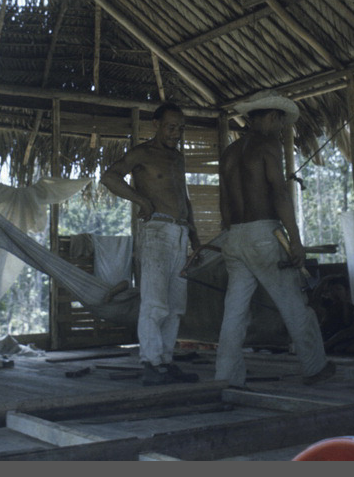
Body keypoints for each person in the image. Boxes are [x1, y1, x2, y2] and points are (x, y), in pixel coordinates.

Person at [215, 90, 335, 388]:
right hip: (263, 234)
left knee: (235, 312)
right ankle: (315, 367)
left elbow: (224, 202)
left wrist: (232, 234)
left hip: (234, 236)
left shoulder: (230, 152)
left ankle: (226, 377)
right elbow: (280, 192)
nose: (281, 128)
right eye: (279, 122)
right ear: (270, 117)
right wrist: (295, 239)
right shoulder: (269, 145)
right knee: (294, 302)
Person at [101, 101, 201, 386]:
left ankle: (165, 361)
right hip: (156, 231)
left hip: (180, 234)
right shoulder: (141, 153)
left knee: (176, 304)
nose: (175, 133)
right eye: (170, 127)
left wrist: (195, 240)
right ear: (156, 124)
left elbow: (185, 198)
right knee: (155, 302)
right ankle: (150, 362)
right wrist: (141, 200)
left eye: (180, 128)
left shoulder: (178, 158)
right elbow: (109, 177)